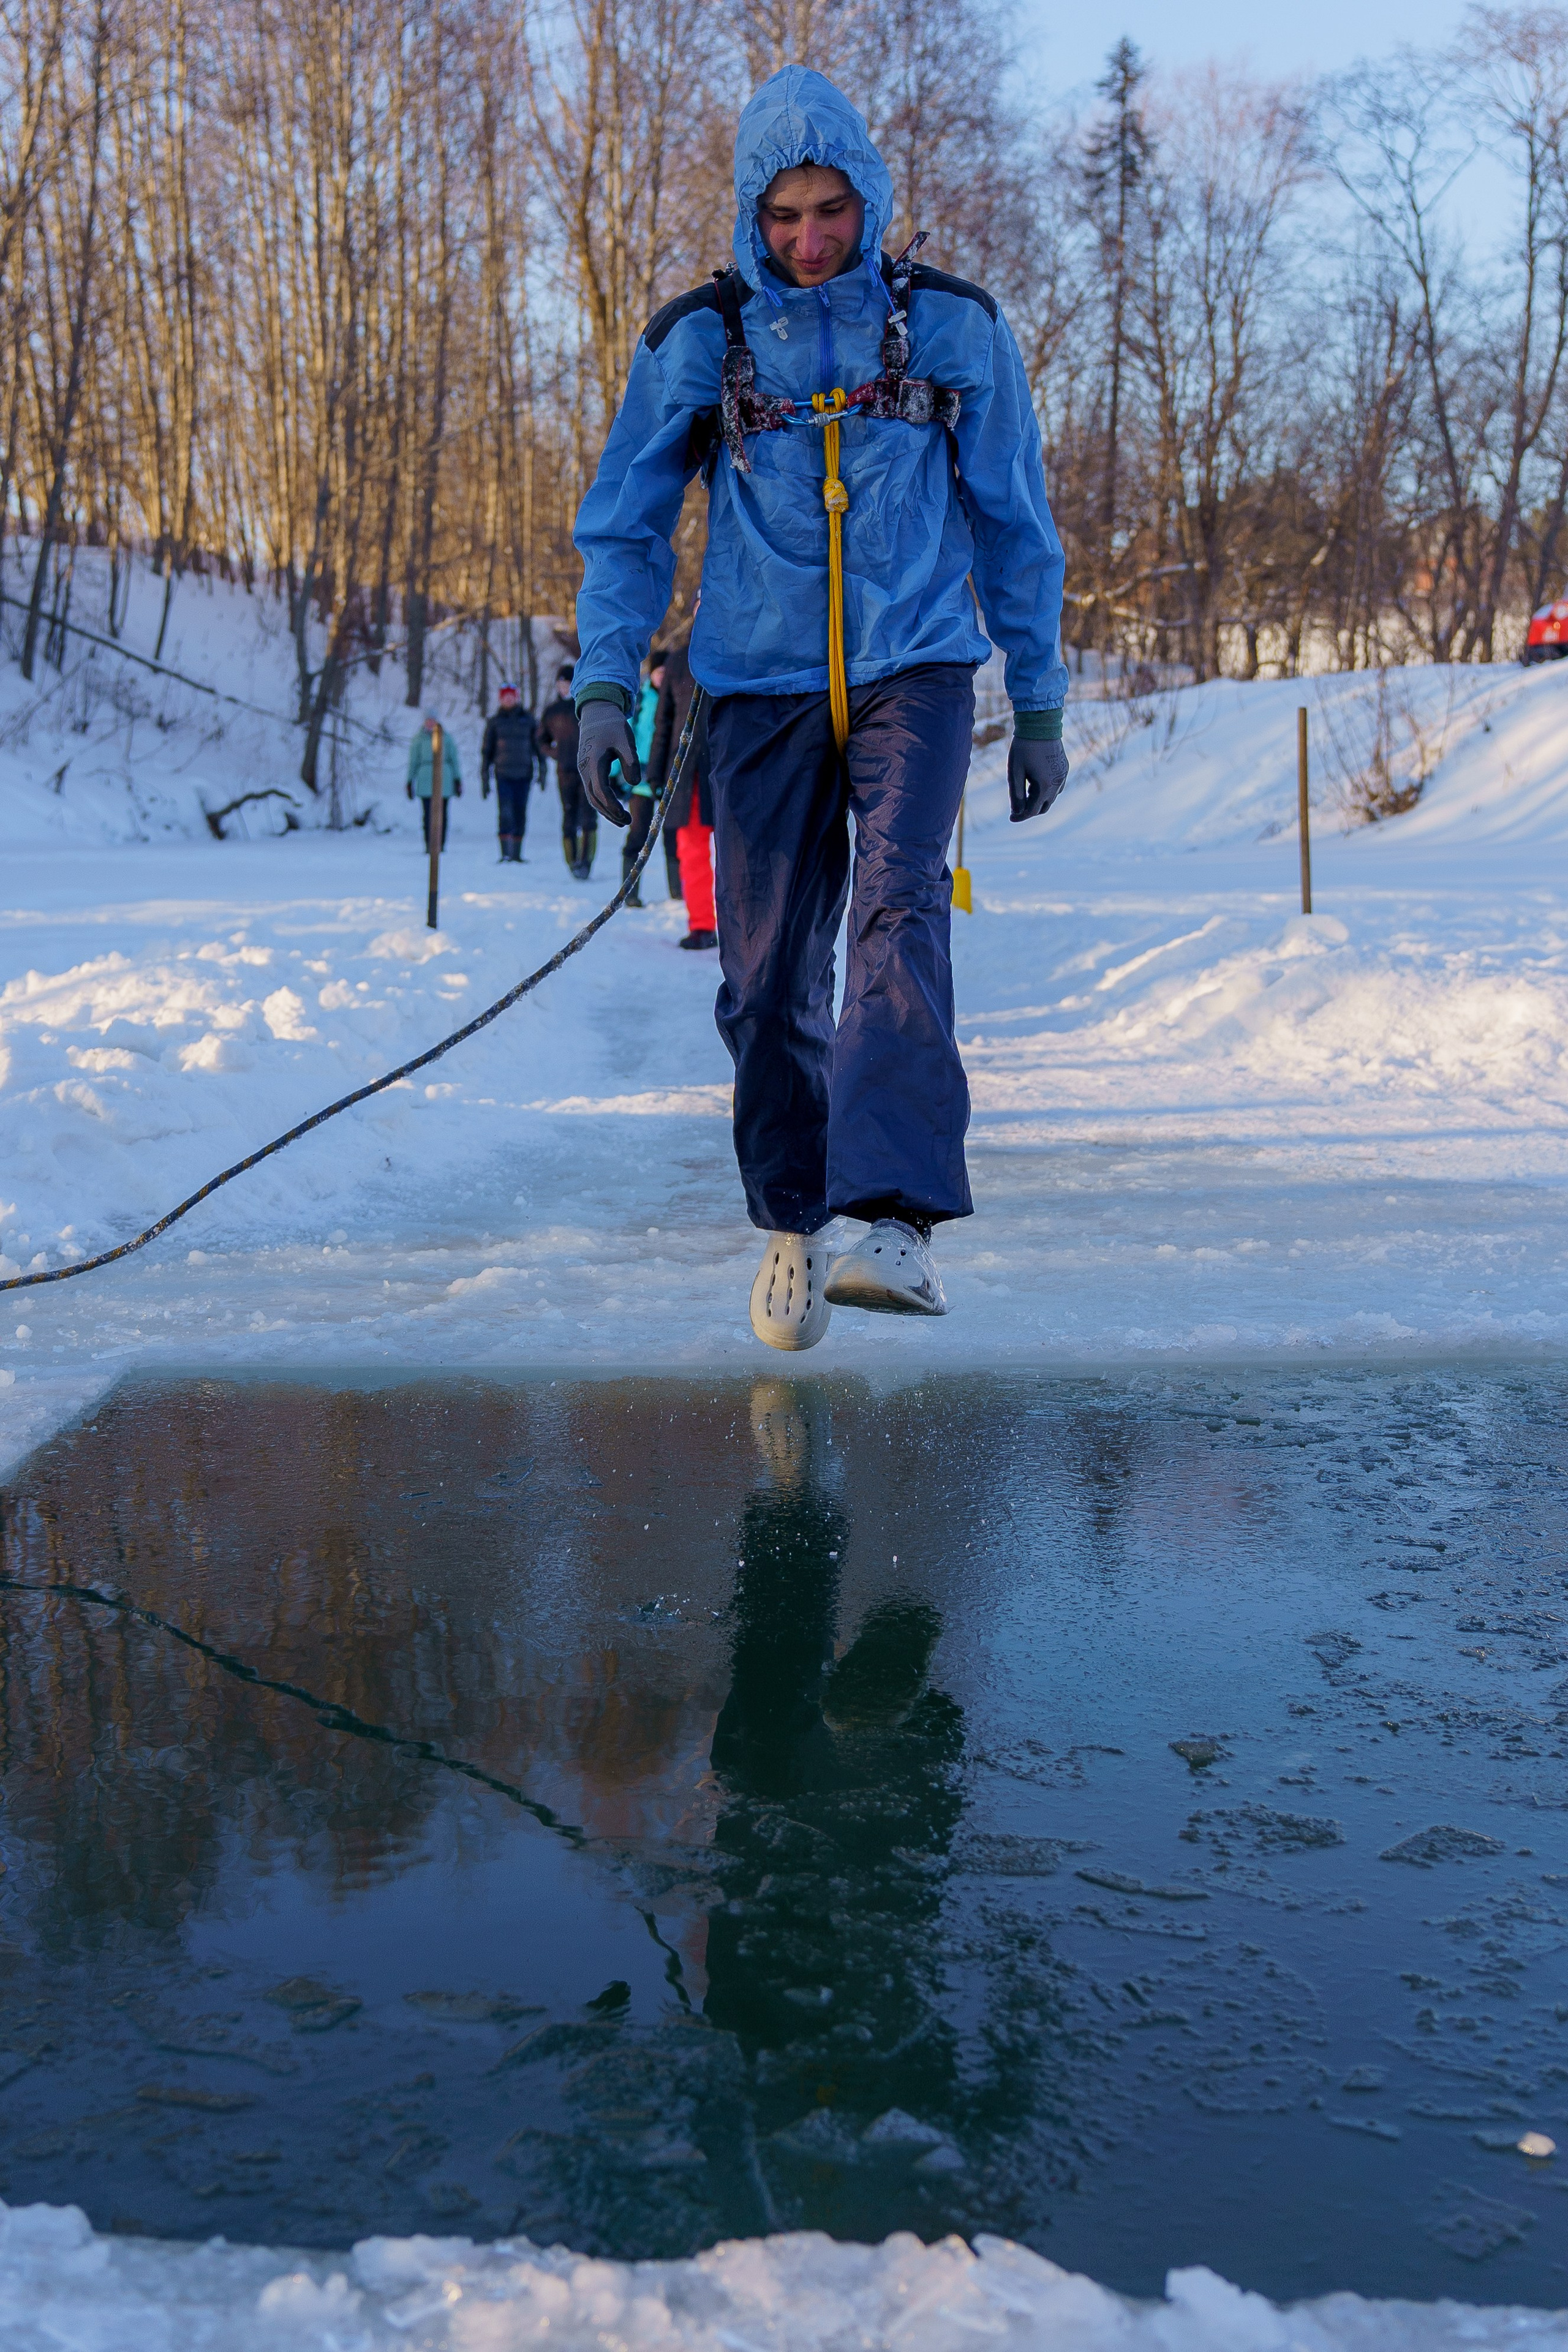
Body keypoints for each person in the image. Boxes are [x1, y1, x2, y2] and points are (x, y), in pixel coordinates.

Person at [568, 66, 1068, 1352]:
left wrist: (1041, 696)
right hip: (757, 685)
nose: (807, 239)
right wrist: (603, 687)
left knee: (899, 908)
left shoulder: (949, 328)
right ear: (750, 212)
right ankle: (791, 1223)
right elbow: (625, 526)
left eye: (830, 210)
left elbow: (1015, 519)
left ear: (868, 198)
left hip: (915, 664)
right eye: (783, 215)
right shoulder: (701, 338)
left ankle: (892, 1220)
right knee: (765, 968)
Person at [645, 641, 715, 949]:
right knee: (692, 852)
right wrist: (656, 773)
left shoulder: (745, 648)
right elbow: (664, 722)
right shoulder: (677, 661)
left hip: (734, 768)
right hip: (687, 772)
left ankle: (744, 927)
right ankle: (702, 924)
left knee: (741, 854)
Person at [536, 664, 596, 880]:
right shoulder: (552, 711)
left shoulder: (587, 705)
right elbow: (542, 740)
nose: (564, 688)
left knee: (589, 817)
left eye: (567, 684)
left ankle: (586, 861)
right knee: (569, 816)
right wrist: (555, 752)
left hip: (589, 770)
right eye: (560, 684)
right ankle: (572, 862)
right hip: (565, 771)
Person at [619, 655, 665, 906]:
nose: (662, 676)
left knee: (674, 837)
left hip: (670, 777)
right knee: (638, 835)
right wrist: (618, 771)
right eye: (659, 671)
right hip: (642, 780)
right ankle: (630, 892)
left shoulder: (678, 699)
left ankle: (678, 893)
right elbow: (626, 734)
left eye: (666, 672)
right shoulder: (640, 701)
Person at [480, 680, 538, 863]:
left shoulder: (528, 720)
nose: (508, 700)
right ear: (500, 699)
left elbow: (538, 747)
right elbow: (487, 751)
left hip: (524, 774)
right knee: (505, 813)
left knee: (520, 812)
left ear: (517, 698)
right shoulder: (495, 722)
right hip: (503, 774)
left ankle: (517, 853)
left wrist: (542, 769)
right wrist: (485, 778)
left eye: (511, 697)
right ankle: (505, 852)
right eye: (505, 697)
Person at [405, 712, 462, 848]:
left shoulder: (447, 739)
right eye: (428, 720)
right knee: (428, 814)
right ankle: (429, 844)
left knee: (442, 814)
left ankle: (440, 844)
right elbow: (413, 761)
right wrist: (410, 781)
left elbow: (454, 759)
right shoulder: (418, 740)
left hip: (444, 780)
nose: (430, 723)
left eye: (433, 720)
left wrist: (457, 779)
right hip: (425, 781)